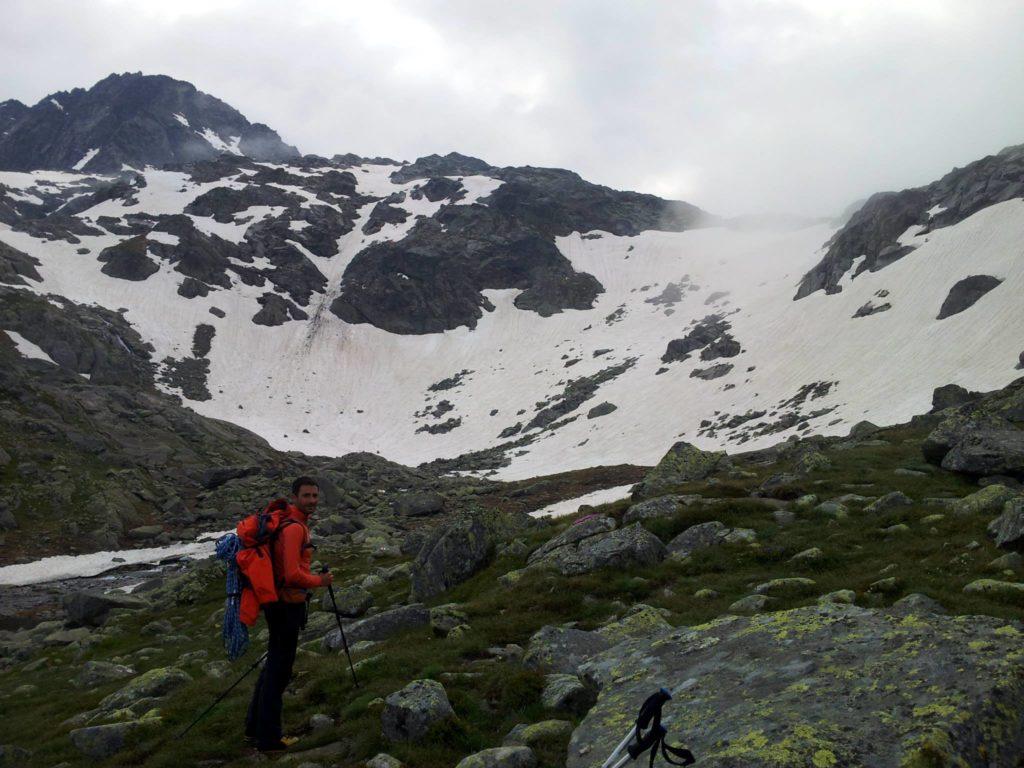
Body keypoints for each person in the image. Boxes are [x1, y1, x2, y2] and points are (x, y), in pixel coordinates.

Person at [245, 476, 333, 753]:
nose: (312, 501)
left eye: (315, 496)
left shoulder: (286, 523)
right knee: (279, 672)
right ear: (295, 497)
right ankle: (269, 740)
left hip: (275, 602)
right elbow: (292, 574)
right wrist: (321, 581)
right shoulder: (295, 529)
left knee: (273, 665)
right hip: (286, 605)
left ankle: (254, 729)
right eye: (306, 496)